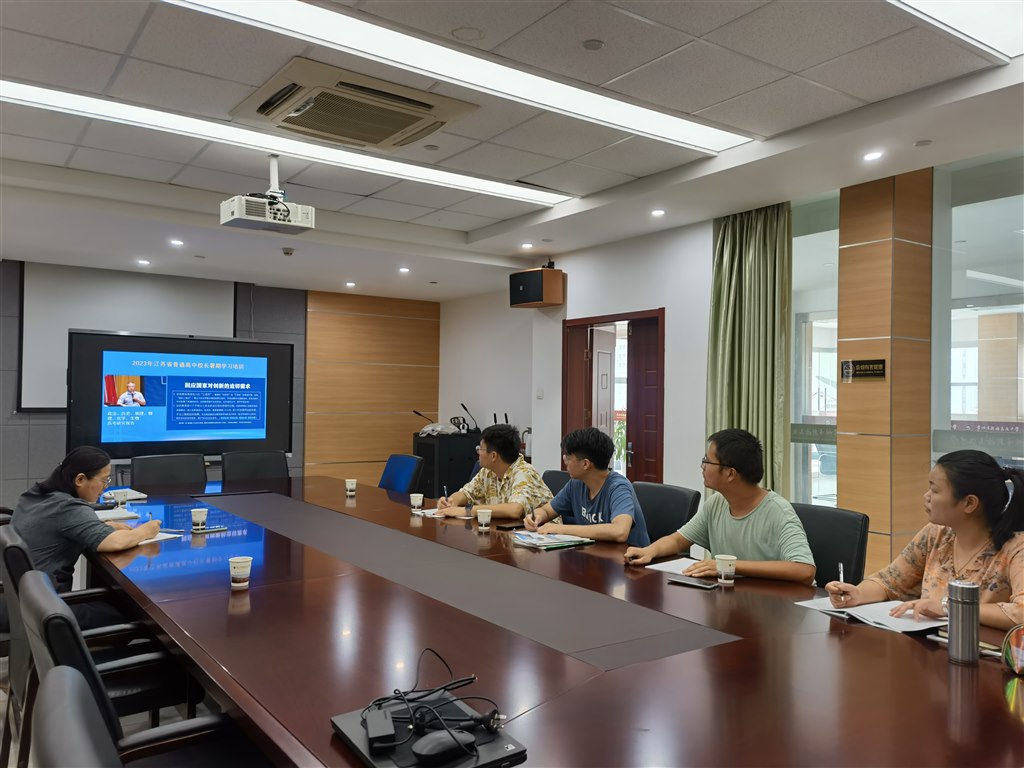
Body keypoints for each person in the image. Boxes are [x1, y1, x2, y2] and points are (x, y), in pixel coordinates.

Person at [825, 450, 1024, 630]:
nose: (926, 496)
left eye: (935, 490)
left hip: (983, 653)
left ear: (969, 503)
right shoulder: (936, 534)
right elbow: (890, 580)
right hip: (929, 648)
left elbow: (1021, 612)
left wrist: (948, 607)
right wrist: (857, 594)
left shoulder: (1016, 547)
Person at [624, 428, 816, 584]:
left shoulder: (778, 512)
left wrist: (727, 566)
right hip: (734, 598)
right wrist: (649, 551)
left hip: (777, 606)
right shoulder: (717, 503)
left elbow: (804, 570)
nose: (702, 467)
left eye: (707, 461)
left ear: (730, 474)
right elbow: (679, 540)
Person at [9, 445, 162, 629]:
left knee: (112, 602)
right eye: (104, 480)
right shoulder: (69, 508)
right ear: (80, 479)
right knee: (135, 615)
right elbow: (116, 542)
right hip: (46, 609)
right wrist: (145, 531)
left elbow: (59, 525)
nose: (105, 487)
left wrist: (102, 526)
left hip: (17, 599)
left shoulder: (34, 496)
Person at [525, 427, 650, 546]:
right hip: (594, 554)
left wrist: (561, 529)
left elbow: (620, 532)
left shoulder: (618, 487)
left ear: (585, 464)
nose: (565, 462)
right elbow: (547, 511)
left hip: (629, 557)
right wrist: (536, 517)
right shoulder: (576, 484)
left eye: (568, 457)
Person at [436, 424, 552, 520]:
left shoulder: (524, 473)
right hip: (507, 531)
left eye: (480, 448)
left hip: (544, 534)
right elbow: (467, 493)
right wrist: (451, 502)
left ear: (493, 456)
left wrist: (467, 511)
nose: (477, 452)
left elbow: (514, 510)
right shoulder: (487, 472)